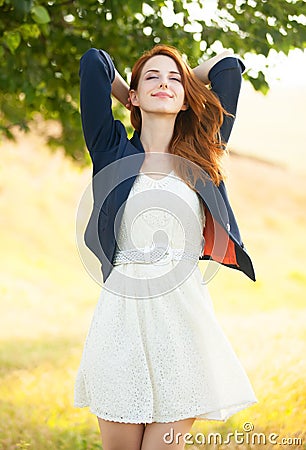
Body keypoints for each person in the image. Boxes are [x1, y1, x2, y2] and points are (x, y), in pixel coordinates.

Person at [74, 44, 258, 450]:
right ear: (134, 95)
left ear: (187, 96)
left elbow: (228, 68)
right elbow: (95, 62)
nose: (165, 83)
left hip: (184, 320)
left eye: (174, 80)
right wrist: (131, 94)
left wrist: (180, 79)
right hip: (121, 320)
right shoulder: (112, 150)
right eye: (152, 77)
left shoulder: (204, 150)